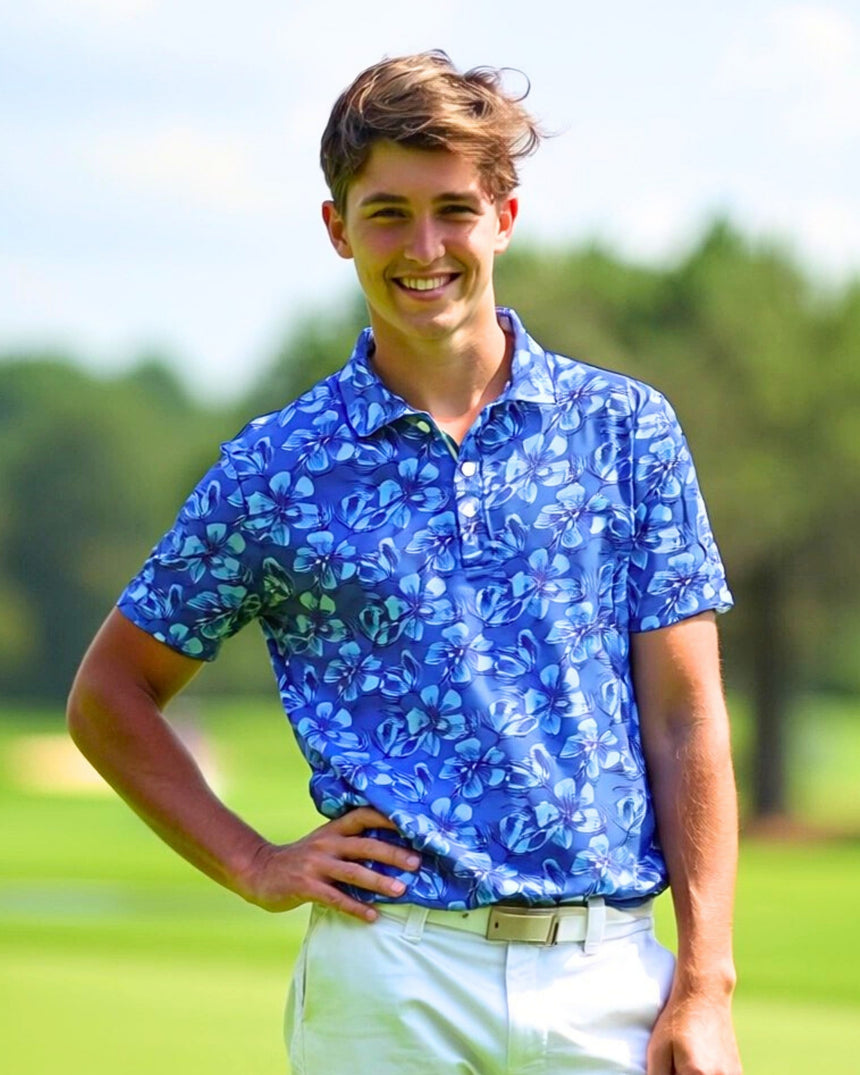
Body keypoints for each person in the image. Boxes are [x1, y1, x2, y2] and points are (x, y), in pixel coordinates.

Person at [67, 50, 742, 1075]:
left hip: (604, 976)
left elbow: (686, 718)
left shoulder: (625, 431)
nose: (422, 246)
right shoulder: (277, 467)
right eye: (386, 212)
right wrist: (254, 862)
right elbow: (109, 692)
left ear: (502, 217)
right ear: (337, 227)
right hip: (388, 977)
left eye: (452, 210)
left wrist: (703, 980)